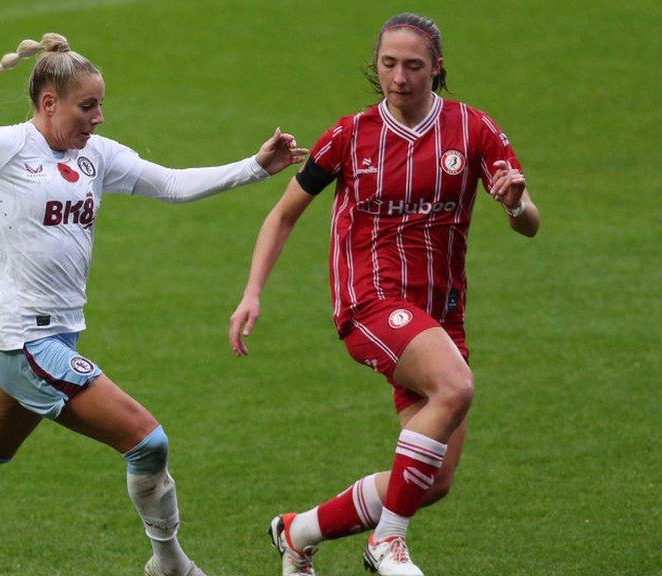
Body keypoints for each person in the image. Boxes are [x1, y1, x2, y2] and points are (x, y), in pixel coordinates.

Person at [0, 32, 307, 576]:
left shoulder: (96, 157)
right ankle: (171, 565)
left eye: (100, 105)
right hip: (28, 343)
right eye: (87, 106)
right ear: (49, 103)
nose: (98, 118)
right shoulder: (2, 147)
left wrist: (255, 166)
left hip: (49, 338)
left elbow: (173, 184)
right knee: (149, 443)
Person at [228, 13, 540, 576]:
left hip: (440, 316)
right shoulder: (350, 136)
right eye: (388, 64)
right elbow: (282, 216)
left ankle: (297, 532)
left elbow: (530, 223)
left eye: (413, 66)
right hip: (369, 303)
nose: (399, 77)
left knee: (432, 481)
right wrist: (252, 292)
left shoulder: (473, 131)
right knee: (456, 387)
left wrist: (516, 203)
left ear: (436, 68)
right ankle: (386, 544)